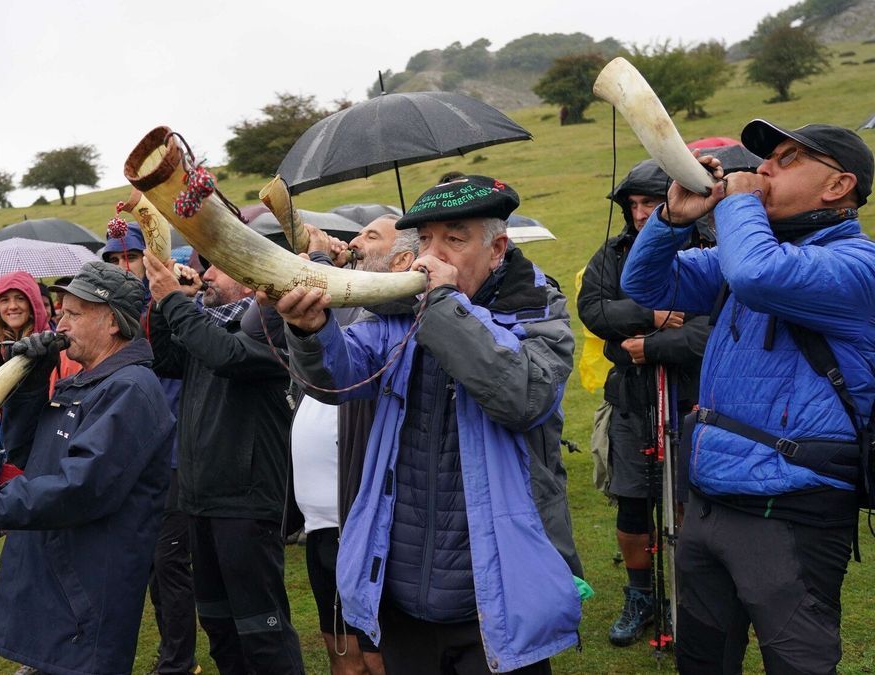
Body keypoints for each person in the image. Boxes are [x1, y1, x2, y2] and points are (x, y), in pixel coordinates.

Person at [271, 175, 582, 674]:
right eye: (426, 239)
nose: (431, 255)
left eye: (454, 239)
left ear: (497, 249)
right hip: (403, 594)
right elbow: (338, 379)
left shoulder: (536, 307)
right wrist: (312, 332)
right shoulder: (398, 312)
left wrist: (442, 305)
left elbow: (525, 396)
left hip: (495, 597)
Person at [620, 121, 875, 673]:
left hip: (794, 506)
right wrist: (671, 220)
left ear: (838, 186)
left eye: (787, 159)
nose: (762, 169)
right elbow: (645, 285)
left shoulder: (860, 266)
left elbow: (757, 275)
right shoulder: (750, 255)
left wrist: (737, 199)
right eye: (766, 159)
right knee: (702, 660)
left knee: (797, 663)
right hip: (710, 498)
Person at [0, 261, 176, 675]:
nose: (60, 324)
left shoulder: (130, 389)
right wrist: (32, 384)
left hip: (85, 591)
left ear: (113, 323)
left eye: (74, 314)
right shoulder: (83, 382)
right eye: (61, 312)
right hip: (57, 582)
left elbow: (79, 489)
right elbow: (25, 453)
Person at [141, 250, 305, 675]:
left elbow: (227, 355)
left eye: (217, 267)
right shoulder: (208, 328)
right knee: (220, 629)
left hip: (246, 505)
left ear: (250, 282)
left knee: (262, 634)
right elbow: (164, 357)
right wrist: (163, 305)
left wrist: (173, 300)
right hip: (201, 504)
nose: (206, 274)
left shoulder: (274, 327)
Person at [576, 160, 710, 647]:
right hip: (632, 401)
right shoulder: (611, 253)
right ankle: (640, 596)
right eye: (632, 204)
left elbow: (712, 326)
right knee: (632, 503)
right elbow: (593, 311)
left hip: (695, 400)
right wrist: (651, 315)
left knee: (692, 504)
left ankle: (694, 598)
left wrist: (647, 344)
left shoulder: (708, 251)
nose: (638, 214)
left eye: (650, 203)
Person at [289, 215, 415, 675]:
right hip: (321, 521)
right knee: (339, 649)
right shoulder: (351, 301)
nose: (355, 241)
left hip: (362, 516)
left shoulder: (390, 321)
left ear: (402, 261)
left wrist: (322, 261)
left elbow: (344, 366)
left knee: (379, 655)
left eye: (370, 236)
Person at [106, 221, 202, 675]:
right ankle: (172, 653)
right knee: (148, 564)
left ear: (149, 261)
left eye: (130, 257)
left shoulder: (169, 303)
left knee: (169, 562)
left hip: (176, 452)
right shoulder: (109, 318)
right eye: (114, 259)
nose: (123, 266)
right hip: (134, 457)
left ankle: (178, 663)